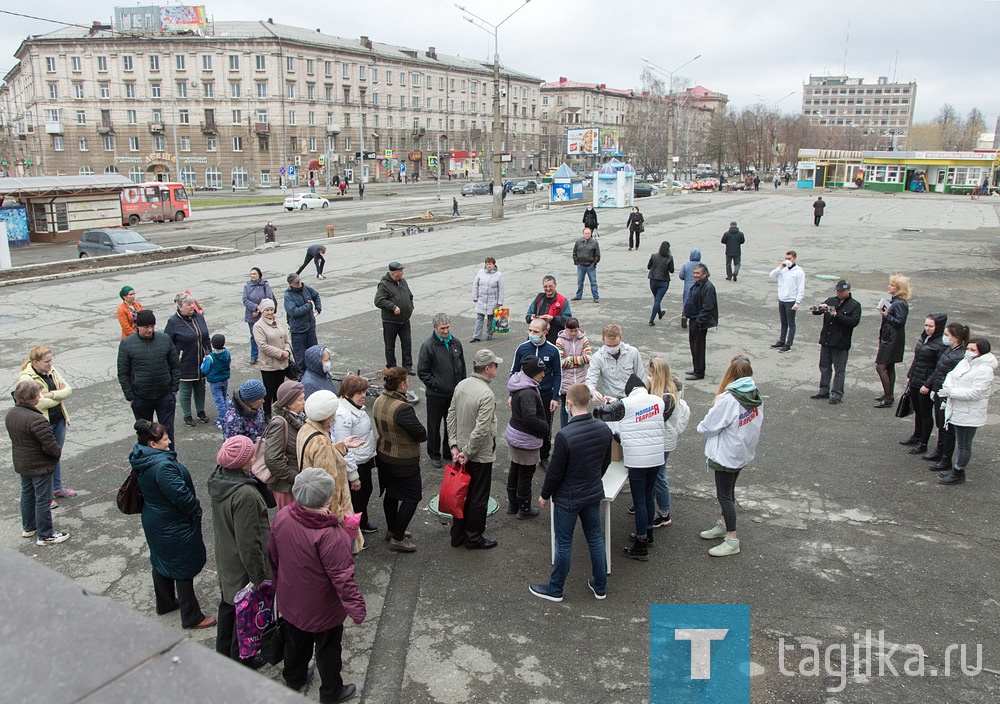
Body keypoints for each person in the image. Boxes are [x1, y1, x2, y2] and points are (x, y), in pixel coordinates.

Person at [268, 468, 366, 701]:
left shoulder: (282, 516)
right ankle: (331, 692)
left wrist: (277, 584)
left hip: (291, 599)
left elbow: (272, 555)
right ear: (327, 498)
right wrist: (357, 608)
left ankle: (294, 677)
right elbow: (342, 577)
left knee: (296, 642)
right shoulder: (329, 534)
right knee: (328, 650)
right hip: (322, 607)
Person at [529, 383, 612, 602]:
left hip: (568, 497)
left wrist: (544, 495)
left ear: (569, 403)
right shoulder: (604, 429)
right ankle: (600, 585)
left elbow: (555, 473)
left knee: (564, 543)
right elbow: (605, 462)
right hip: (592, 492)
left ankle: (555, 588)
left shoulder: (566, 435)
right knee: (595, 537)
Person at [129, 419, 214, 629]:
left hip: (154, 519)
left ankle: (165, 602)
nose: (169, 442)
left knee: (160, 561)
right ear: (152, 444)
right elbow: (181, 497)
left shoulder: (141, 457)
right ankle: (191, 616)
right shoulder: (163, 467)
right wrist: (196, 508)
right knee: (182, 566)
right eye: (165, 439)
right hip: (173, 522)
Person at [207, 435, 270, 667]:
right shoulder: (245, 495)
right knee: (242, 613)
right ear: (243, 461)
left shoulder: (219, 479)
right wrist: (257, 575)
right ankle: (241, 659)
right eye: (251, 454)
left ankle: (223, 651)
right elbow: (250, 541)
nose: (254, 456)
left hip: (227, 556)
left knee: (228, 605)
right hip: (242, 565)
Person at [593, 374, 666, 562]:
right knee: (649, 496)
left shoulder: (625, 404)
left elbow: (599, 413)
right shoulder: (658, 400)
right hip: (657, 457)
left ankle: (641, 545)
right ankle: (648, 533)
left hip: (637, 459)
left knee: (639, 500)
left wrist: (616, 402)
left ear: (629, 391)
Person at [696, 356, 763, 557]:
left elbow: (708, 426)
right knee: (730, 492)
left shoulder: (729, 399)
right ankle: (724, 524)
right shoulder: (754, 394)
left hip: (725, 453)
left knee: (724, 496)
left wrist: (701, 427)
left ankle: (732, 538)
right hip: (742, 451)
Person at [447, 349, 502, 550]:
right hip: (478, 454)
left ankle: (458, 534)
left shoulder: (462, 385)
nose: (497, 368)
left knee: (461, 494)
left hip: (460, 449)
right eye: (495, 365)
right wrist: (468, 453)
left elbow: (451, 415)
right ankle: (474, 537)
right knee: (478, 497)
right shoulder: (486, 393)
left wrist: (454, 446)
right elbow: (482, 429)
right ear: (488, 368)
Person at [299, 390, 365, 553]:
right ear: (328, 416)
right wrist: (339, 522)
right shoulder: (321, 442)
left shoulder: (306, 429)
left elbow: (317, 457)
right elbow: (330, 488)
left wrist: (342, 446)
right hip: (331, 514)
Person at [6, 380, 68, 545]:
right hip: (39, 465)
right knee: (43, 499)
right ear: (31, 398)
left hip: (22, 462)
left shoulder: (12, 413)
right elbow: (51, 446)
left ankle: (29, 527)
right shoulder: (36, 419)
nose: (40, 397)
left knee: (27, 494)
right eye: (38, 394)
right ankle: (45, 535)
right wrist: (55, 456)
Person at [372, 367, 427, 552]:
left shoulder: (380, 400)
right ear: (402, 384)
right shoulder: (403, 409)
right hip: (403, 460)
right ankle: (398, 538)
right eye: (407, 382)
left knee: (392, 493)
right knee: (412, 497)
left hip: (383, 455)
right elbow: (421, 433)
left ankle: (392, 529)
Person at [18, 345, 75, 501]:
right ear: (35, 362)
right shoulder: (26, 378)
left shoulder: (52, 370)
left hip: (59, 420)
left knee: (55, 455)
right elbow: (38, 403)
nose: (50, 364)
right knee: (43, 460)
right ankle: (45, 497)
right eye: (46, 361)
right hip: (42, 424)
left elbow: (68, 390)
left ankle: (57, 488)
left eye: (51, 360)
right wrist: (58, 396)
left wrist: (50, 394)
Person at [937, 338, 997, 484]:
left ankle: (958, 472)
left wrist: (951, 392)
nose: (968, 352)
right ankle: (956, 470)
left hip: (970, 413)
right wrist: (949, 388)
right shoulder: (965, 362)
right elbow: (951, 375)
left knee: (964, 444)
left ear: (981, 352)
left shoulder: (985, 370)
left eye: (973, 350)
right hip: (958, 409)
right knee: (960, 441)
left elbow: (975, 393)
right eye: (968, 349)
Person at [118, 309, 180, 444]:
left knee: (167, 433)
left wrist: (173, 390)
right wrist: (131, 397)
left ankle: (170, 461)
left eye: (152, 326)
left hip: (164, 396)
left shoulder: (164, 339)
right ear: (137, 327)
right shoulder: (127, 344)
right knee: (145, 435)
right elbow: (123, 373)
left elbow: (175, 366)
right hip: (141, 398)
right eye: (146, 327)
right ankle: (147, 462)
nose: (150, 330)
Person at [510, 318, 561, 469]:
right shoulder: (522, 348)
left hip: (545, 394)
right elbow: (514, 371)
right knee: (524, 421)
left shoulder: (553, 350)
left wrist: (555, 397)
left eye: (536, 332)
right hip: (525, 394)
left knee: (545, 425)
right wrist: (511, 394)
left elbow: (558, 374)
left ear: (545, 332)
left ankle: (544, 456)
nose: (532, 334)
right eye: (530, 330)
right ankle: (524, 449)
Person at [644, 357, 689, 529]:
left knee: (658, 476)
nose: (648, 377)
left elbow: (657, 419)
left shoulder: (667, 396)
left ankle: (664, 512)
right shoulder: (667, 388)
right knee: (656, 475)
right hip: (660, 438)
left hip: (663, 440)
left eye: (649, 374)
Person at [417, 314, 467, 469]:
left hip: (453, 394)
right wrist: (437, 385)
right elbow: (422, 372)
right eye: (442, 328)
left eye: (447, 327)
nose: (446, 331)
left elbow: (462, 367)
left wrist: (461, 387)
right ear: (434, 328)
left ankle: (448, 450)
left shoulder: (456, 343)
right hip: (436, 394)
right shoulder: (428, 346)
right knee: (434, 425)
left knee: (451, 424)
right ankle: (434, 454)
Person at [505, 356, 550, 519]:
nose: (543, 375)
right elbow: (530, 418)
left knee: (515, 470)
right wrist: (545, 428)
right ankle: (524, 509)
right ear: (532, 373)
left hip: (515, 434)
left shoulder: (520, 383)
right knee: (525, 474)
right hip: (525, 439)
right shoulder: (528, 393)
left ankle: (513, 504)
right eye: (540, 372)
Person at [334, 375, 379, 534]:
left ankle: (362, 523)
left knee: (365, 493)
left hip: (363, 460)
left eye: (364, 391)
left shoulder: (355, 407)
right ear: (347, 394)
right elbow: (344, 448)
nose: (363, 396)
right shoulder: (343, 415)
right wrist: (353, 476)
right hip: (355, 465)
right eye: (359, 393)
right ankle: (353, 534)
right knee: (356, 500)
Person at [899, 313, 948, 456]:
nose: (927, 328)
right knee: (918, 411)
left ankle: (923, 442)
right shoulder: (924, 338)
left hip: (925, 383)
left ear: (938, 327)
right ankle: (916, 435)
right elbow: (917, 359)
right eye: (926, 325)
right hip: (916, 379)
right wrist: (910, 375)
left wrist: (928, 384)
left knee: (925, 413)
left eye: (930, 326)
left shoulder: (941, 344)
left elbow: (938, 367)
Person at [924, 323, 970, 471]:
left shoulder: (959, 355)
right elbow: (939, 370)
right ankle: (940, 451)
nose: (944, 337)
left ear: (955, 338)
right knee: (940, 425)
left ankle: (946, 458)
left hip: (946, 395)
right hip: (939, 392)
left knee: (947, 428)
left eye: (947, 335)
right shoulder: (950, 350)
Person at [809, 280, 862, 405]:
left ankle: (837, 393)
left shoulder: (855, 305)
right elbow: (815, 312)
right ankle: (824, 389)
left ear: (848, 291)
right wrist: (820, 308)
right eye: (837, 291)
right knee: (824, 367)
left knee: (839, 370)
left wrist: (836, 315)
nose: (838, 293)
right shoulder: (831, 300)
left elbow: (853, 322)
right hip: (827, 340)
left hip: (841, 342)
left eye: (841, 291)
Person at [164, 293, 211, 427]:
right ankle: (187, 415)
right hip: (184, 361)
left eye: (192, 304)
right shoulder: (173, 322)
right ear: (180, 307)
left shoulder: (199, 317)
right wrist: (173, 359)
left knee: (200, 388)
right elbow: (167, 342)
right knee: (185, 390)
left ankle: (200, 411)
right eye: (188, 305)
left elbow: (206, 337)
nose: (192, 307)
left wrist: (210, 354)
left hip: (201, 360)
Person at [264, 380, 307, 510]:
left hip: (298, 483)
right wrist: (295, 477)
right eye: (300, 400)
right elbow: (272, 459)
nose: (304, 402)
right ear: (288, 403)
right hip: (287, 488)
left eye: (303, 398)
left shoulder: (300, 417)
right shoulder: (279, 424)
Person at [875, 275, 911, 408]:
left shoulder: (900, 303)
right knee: (889, 366)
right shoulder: (896, 301)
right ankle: (887, 394)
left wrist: (887, 315)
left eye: (892, 285)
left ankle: (888, 397)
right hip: (890, 337)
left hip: (892, 338)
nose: (889, 287)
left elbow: (900, 322)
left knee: (881, 366)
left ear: (899, 289)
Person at [585, 324, 645, 402]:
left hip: (632, 399)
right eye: (609, 346)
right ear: (603, 340)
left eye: (616, 345)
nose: (612, 348)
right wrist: (593, 392)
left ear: (621, 338)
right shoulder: (598, 357)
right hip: (611, 400)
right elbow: (591, 379)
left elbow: (641, 376)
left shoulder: (633, 352)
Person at [252, 299, 290, 418]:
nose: (270, 312)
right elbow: (262, 346)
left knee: (279, 390)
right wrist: (281, 353)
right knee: (269, 391)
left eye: (271, 310)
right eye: (267, 310)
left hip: (282, 363)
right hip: (269, 364)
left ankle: (278, 412)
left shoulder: (278, 322)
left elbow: (286, 338)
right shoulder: (258, 326)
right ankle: (267, 414)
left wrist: (287, 350)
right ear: (262, 311)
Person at [374, 261, 415, 373]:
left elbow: (410, 296)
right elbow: (378, 301)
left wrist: (410, 308)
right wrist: (392, 307)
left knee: (407, 344)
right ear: (394, 273)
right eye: (400, 271)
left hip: (405, 320)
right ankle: (391, 367)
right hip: (390, 322)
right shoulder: (384, 285)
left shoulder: (403, 282)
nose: (402, 272)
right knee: (390, 346)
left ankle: (407, 366)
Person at [684, 264, 718, 381]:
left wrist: (699, 322)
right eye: (694, 273)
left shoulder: (708, 287)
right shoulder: (698, 284)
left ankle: (699, 372)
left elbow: (707, 307)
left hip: (699, 322)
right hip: (693, 319)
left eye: (698, 273)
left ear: (704, 274)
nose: (695, 275)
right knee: (693, 345)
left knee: (698, 347)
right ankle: (696, 368)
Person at [556, 318, 591, 427]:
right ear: (565, 329)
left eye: (575, 330)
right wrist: (579, 360)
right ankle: (564, 428)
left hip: (580, 380)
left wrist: (570, 360)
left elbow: (589, 358)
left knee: (580, 407)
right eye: (571, 331)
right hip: (566, 380)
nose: (573, 333)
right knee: (564, 408)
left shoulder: (584, 339)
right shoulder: (560, 341)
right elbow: (560, 362)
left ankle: (578, 428)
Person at [768, 251, 806, 353]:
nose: (787, 260)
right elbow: (771, 275)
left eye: (789, 259)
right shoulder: (783, 270)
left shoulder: (799, 272)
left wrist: (797, 302)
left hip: (791, 300)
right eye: (786, 258)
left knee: (791, 323)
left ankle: (788, 344)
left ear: (794, 259)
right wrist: (780, 266)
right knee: (783, 322)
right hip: (782, 299)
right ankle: (781, 340)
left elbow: (801, 288)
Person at [284, 272, 322, 373]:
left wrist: (318, 307)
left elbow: (316, 295)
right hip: (298, 330)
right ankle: (303, 376)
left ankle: (316, 373)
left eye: (299, 281)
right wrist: (308, 306)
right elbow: (294, 312)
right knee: (301, 357)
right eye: (296, 283)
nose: (299, 284)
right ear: (290, 284)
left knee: (314, 353)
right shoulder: (288, 296)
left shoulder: (306, 288)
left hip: (310, 328)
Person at [242, 268, 275, 365]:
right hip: (252, 315)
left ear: (259, 275)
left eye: (254, 274)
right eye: (251, 274)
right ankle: (254, 355)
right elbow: (245, 300)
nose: (252, 276)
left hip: (264, 314)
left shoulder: (265, 284)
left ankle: (268, 354)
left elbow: (269, 298)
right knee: (254, 336)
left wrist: (260, 309)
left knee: (267, 335)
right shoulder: (247, 286)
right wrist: (255, 308)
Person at [470, 257, 505, 343]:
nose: (488, 266)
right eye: (487, 264)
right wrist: (475, 297)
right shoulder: (480, 272)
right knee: (479, 318)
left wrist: (500, 302)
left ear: (494, 264)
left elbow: (501, 289)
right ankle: (476, 336)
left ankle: (489, 334)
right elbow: (475, 285)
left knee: (490, 319)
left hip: (492, 301)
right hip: (481, 300)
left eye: (490, 264)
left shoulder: (498, 275)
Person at [202, 334, 232, 425]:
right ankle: (225, 414)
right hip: (224, 379)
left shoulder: (210, 357)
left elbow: (204, 369)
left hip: (215, 381)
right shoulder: (227, 353)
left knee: (219, 401)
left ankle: (223, 419)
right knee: (223, 397)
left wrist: (204, 361)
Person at [646, 241, 674, 325]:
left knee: (656, 299)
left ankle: (660, 313)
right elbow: (671, 270)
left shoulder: (654, 256)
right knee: (657, 300)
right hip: (664, 281)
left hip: (653, 280)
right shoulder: (669, 257)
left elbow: (648, 267)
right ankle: (651, 319)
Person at [571, 228, 601, 303]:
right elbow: (574, 252)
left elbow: (597, 255)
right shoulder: (578, 242)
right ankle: (578, 295)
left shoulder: (594, 243)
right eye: (585, 233)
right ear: (583, 234)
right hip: (581, 266)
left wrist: (594, 264)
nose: (587, 235)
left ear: (590, 234)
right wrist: (576, 262)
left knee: (593, 282)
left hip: (590, 266)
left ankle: (596, 296)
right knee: (580, 281)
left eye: (588, 233)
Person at [676, 248, 702, 329]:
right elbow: (708, 274)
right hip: (699, 287)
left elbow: (681, 276)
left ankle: (684, 315)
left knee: (687, 302)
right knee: (699, 303)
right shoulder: (702, 265)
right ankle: (697, 319)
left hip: (688, 287)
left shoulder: (686, 265)